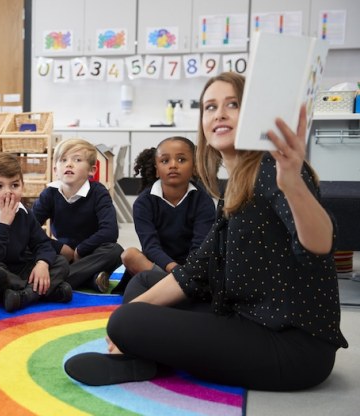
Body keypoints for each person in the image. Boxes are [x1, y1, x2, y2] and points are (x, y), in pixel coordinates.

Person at [65, 72, 348, 391]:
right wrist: (136, 310)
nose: (220, 113)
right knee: (142, 286)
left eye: (233, 104)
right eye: (210, 107)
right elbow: (195, 271)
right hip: (247, 316)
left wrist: (293, 184)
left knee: (125, 321)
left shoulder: (274, 169)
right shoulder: (238, 184)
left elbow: (320, 245)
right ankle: (144, 357)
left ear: (254, 113)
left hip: (291, 348)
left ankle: (145, 353)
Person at [0, 152, 72, 313]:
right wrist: (2, 223)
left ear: (23, 185)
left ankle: (24, 296)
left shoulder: (25, 213)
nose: (8, 192)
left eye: (14, 185)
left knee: (60, 262)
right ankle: (44, 290)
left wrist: (42, 264)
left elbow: (42, 243)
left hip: (21, 267)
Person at [117, 136, 216, 295]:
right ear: (156, 169)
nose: (173, 165)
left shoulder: (204, 201)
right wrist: (174, 271)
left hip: (193, 269)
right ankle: (177, 290)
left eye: (181, 160)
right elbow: (150, 247)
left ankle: (172, 290)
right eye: (165, 161)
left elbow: (200, 247)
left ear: (194, 167)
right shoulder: (144, 202)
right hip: (159, 267)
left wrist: (187, 272)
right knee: (130, 255)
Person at [32, 138, 123, 293]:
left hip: (91, 252)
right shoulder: (49, 194)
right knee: (30, 249)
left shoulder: (98, 192)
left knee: (115, 250)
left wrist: (80, 250)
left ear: (92, 170)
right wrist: (59, 247)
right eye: (63, 160)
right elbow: (29, 228)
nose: (69, 164)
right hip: (62, 253)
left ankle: (56, 281)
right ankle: (91, 279)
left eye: (77, 160)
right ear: (55, 170)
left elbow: (110, 232)